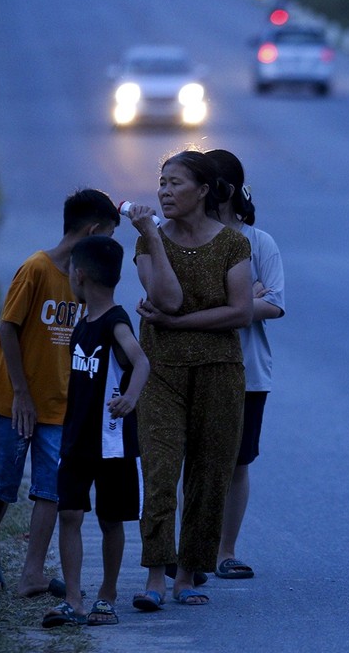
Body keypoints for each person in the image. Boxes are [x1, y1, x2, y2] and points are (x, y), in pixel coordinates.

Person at [0, 188, 120, 597]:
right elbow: (8, 327)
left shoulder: (86, 283)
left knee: (50, 487)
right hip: (16, 399)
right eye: (107, 236)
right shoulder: (36, 269)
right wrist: (21, 392)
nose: (109, 247)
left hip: (61, 405)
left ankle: (32, 572)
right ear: (92, 231)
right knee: (5, 481)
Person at [125, 150, 252, 609]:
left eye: (175, 183)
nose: (164, 191)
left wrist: (178, 324)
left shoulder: (233, 245)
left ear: (202, 191)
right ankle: (155, 576)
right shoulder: (147, 241)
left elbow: (239, 311)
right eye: (161, 183)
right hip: (160, 371)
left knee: (209, 473)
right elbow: (167, 297)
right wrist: (154, 239)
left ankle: (187, 576)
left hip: (219, 371)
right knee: (160, 470)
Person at [43, 235, 150, 628]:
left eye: (71, 271)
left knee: (110, 519)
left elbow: (141, 363)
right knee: (69, 513)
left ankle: (106, 596)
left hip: (112, 441)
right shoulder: (83, 322)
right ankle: (73, 599)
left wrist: (130, 399)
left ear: (80, 274)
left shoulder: (115, 322)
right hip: (76, 439)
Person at [205, 149, 285, 580]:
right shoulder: (184, 238)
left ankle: (225, 550)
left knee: (237, 462)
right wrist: (242, 300)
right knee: (196, 460)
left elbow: (274, 304)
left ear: (223, 191)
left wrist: (241, 305)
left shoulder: (259, 242)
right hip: (195, 363)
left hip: (248, 370)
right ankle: (193, 549)